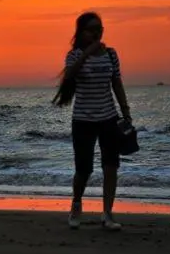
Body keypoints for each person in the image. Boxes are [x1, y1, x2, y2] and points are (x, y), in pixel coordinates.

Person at [52, 12, 132, 231]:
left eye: (100, 29)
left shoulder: (111, 54)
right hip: (83, 120)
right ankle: (77, 204)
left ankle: (107, 214)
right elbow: (69, 75)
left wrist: (126, 112)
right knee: (83, 169)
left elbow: (117, 83)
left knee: (111, 166)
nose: (97, 33)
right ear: (81, 32)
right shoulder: (74, 55)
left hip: (108, 117)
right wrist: (88, 52)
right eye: (92, 29)